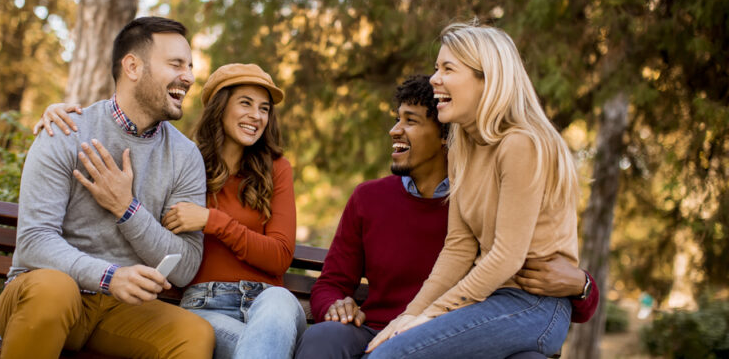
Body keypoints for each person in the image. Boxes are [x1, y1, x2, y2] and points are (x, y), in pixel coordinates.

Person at [294, 75, 598, 359]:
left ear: (445, 136)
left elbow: (530, 282)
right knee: (324, 338)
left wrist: (582, 286)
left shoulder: (481, 200)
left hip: (457, 340)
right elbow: (331, 283)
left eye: (410, 121)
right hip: (377, 330)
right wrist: (334, 307)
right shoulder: (368, 198)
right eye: (396, 118)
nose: (395, 130)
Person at [37, 63, 306, 359]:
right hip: (206, 307)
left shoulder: (276, 170)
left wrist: (211, 221)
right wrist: (60, 114)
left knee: (279, 302)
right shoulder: (183, 161)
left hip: (268, 304)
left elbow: (279, 256)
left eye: (264, 108)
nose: (256, 116)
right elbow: (121, 142)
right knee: (260, 348)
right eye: (245, 103)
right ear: (221, 106)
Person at [0, 17, 215, 358]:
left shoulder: (185, 157)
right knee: (55, 291)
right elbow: (35, 241)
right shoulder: (66, 130)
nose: (188, 76)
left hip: (119, 311)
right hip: (42, 295)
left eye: (189, 66)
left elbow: (184, 266)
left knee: (194, 335)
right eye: (176, 64)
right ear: (132, 66)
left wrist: (128, 210)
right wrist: (110, 276)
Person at [365, 23, 583, 358]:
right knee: (389, 345)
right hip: (493, 302)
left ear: (487, 80)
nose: (434, 79)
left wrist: (430, 316)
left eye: (448, 69)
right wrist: (410, 315)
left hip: (536, 306)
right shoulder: (463, 146)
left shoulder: (520, 144)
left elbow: (506, 256)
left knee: (390, 356)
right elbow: (458, 249)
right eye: (436, 68)